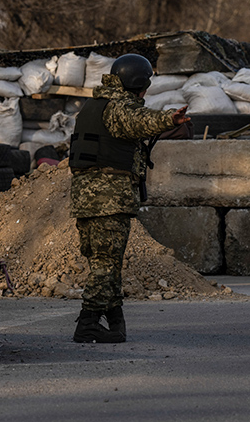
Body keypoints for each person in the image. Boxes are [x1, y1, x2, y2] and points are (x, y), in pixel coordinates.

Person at [69, 54, 190, 343]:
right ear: (139, 83)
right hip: (107, 199)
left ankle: (114, 319)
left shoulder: (93, 105)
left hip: (89, 199)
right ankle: (87, 324)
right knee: (105, 264)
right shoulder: (117, 107)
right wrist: (168, 118)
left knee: (105, 260)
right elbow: (137, 121)